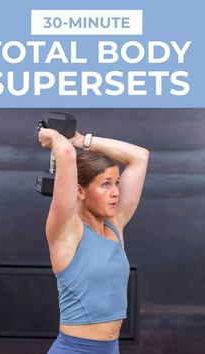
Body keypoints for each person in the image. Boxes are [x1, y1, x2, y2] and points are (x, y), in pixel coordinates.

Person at [38, 127, 149, 354]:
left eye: (117, 183)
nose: (116, 192)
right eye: (106, 184)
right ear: (79, 191)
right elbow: (67, 155)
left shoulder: (114, 225)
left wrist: (81, 139)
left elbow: (140, 157)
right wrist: (54, 137)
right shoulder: (66, 230)